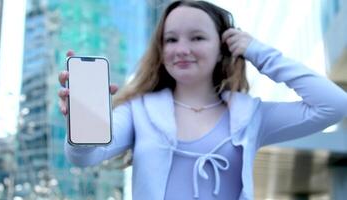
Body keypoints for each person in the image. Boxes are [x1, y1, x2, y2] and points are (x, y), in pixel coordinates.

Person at [58, 0, 347, 199]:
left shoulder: (250, 115)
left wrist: (259, 52)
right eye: (171, 40)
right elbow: (85, 157)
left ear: (223, 46)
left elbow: (333, 105)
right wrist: (81, 120)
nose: (182, 49)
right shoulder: (138, 111)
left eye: (196, 38)